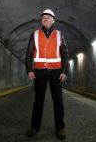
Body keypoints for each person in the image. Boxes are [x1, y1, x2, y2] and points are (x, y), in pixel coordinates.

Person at [25, 9, 69, 140]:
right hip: (39, 71)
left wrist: (64, 71)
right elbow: (28, 55)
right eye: (43, 17)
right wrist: (29, 70)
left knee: (58, 101)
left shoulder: (59, 34)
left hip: (56, 72)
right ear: (41, 20)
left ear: (53, 20)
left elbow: (65, 55)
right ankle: (34, 126)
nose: (45, 18)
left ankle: (60, 127)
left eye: (48, 17)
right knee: (38, 101)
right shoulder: (35, 34)